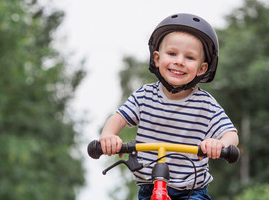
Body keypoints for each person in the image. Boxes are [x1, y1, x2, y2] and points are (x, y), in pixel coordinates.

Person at [99, 13, 239, 200]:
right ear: (157, 59)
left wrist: (220, 144)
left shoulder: (206, 105)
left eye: (189, 57)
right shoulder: (145, 95)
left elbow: (231, 135)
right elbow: (117, 119)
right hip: (150, 187)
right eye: (172, 54)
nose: (179, 61)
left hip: (191, 190)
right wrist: (109, 136)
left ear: (202, 68)